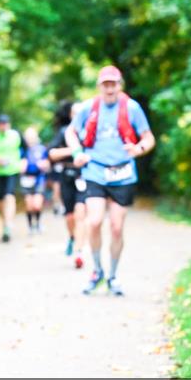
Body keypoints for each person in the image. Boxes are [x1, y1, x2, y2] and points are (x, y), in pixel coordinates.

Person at [67, 65, 156, 296]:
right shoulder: (88, 108)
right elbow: (71, 132)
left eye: (113, 84)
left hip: (123, 173)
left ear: (120, 85)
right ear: (99, 86)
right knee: (93, 221)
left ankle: (113, 276)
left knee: (116, 227)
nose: (109, 88)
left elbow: (148, 137)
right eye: (105, 84)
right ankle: (96, 270)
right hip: (95, 171)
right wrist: (77, 153)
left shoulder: (132, 108)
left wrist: (139, 149)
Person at [48, 101, 88, 268]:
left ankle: (79, 253)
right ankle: (72, 238)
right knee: (70, 216)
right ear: (70, 115)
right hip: (66, 175)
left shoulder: (90, 132)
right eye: (74, 113)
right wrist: (74, 150)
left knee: (81, 214)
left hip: (85, 175)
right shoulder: (64, 132)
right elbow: (51, 153)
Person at [0, 114, 23, 243]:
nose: (3, 126)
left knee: (9, 196)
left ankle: (8, 224)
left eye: (5, 124)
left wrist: (23, 162)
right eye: (1, 124)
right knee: (0, 199)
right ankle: (5, 221)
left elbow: (23, 148)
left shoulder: (15, 135)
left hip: (12, 171)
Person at [20, 127, 50, 234]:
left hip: (39, 179)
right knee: (29, 205)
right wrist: (21, 167)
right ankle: (30, 226)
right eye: (28, 137)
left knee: (37, 205)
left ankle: (38, 223)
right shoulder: (22, 150)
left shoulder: (42, 149)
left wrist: (44, 165)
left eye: (32, 137)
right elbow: (19, 165)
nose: (30, 139)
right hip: (26, 179)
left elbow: (47, 164)